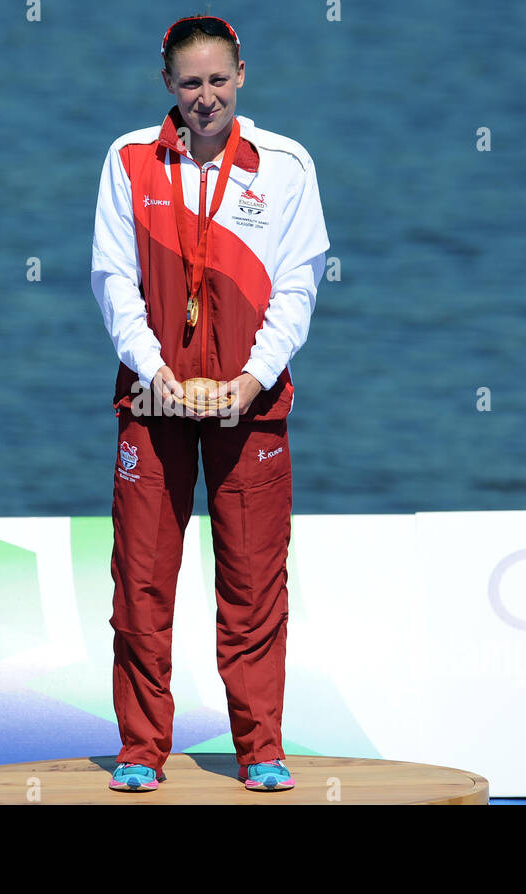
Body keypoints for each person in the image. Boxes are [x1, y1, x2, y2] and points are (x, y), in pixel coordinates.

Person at [91, 15, 329, 793]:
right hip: (151, 405)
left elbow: (298, 287)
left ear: (242, 76)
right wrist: (154, 370)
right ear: (167, 83)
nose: (205, 97)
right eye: (189, 82)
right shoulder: (129, 160)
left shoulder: (285, 165)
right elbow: (113, 281)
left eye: (218, 80)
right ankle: (139, 748)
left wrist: (253, 378)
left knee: (255, 584)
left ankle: (260, 746)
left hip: (250, 407)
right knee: (142, 584)